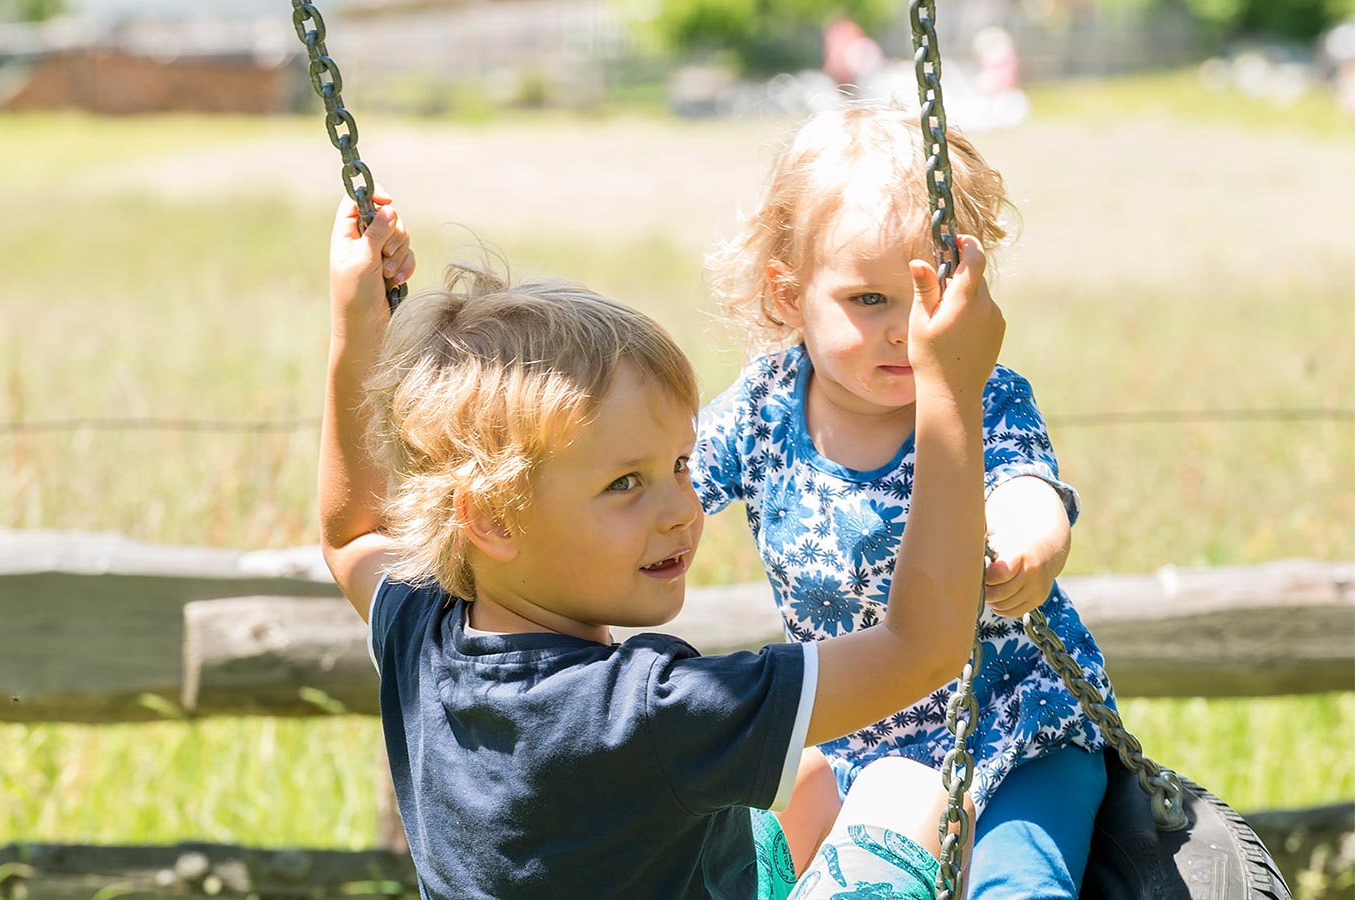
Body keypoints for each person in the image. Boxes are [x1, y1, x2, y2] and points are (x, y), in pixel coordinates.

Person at [318, 187, 1005, 898]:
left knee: (806, 778)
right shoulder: (652, 711)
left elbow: (355, 532)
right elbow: (921, 649)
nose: (682, 508)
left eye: (680, 464)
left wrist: (355, 325)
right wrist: (951, 390)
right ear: (492, 517)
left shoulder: (424, 634)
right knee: (904, 789)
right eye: (625, 484)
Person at [693, 104, 1115, 898]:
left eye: (928, 293)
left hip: (1014, 721)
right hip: (853, 729)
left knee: (1020, 882)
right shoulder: (763, 408)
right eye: (868, 301)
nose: (906, 331)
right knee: (738, 854)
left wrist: (1028, 541)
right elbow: (672, 489)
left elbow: (1029, 484)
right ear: (790, 296)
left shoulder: (980, 396)